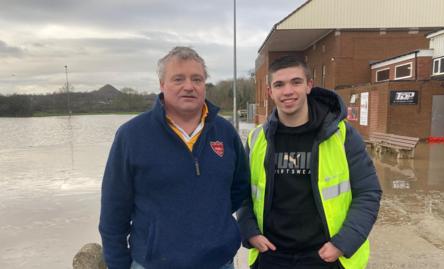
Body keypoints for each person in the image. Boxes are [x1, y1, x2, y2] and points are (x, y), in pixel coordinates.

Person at [99, 46, 250, 269]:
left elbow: (239, 188)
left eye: (196, 79)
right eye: (178, 79)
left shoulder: (225, 132)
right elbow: (114, 211)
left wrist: (212, 222)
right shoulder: (131, 136)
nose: (189, 86)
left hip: (219, 263)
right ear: (162, 84)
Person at [237, 56, 382, 269]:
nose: (287, 91)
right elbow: (241, 194)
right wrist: (249, 232)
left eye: (296, 82)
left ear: (309, 86)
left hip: (327, 256)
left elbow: (368, 193)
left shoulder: (342, 136)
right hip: (271, 256)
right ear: (270, 92)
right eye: (279, 84)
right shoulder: (257, 139)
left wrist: (342, 244)